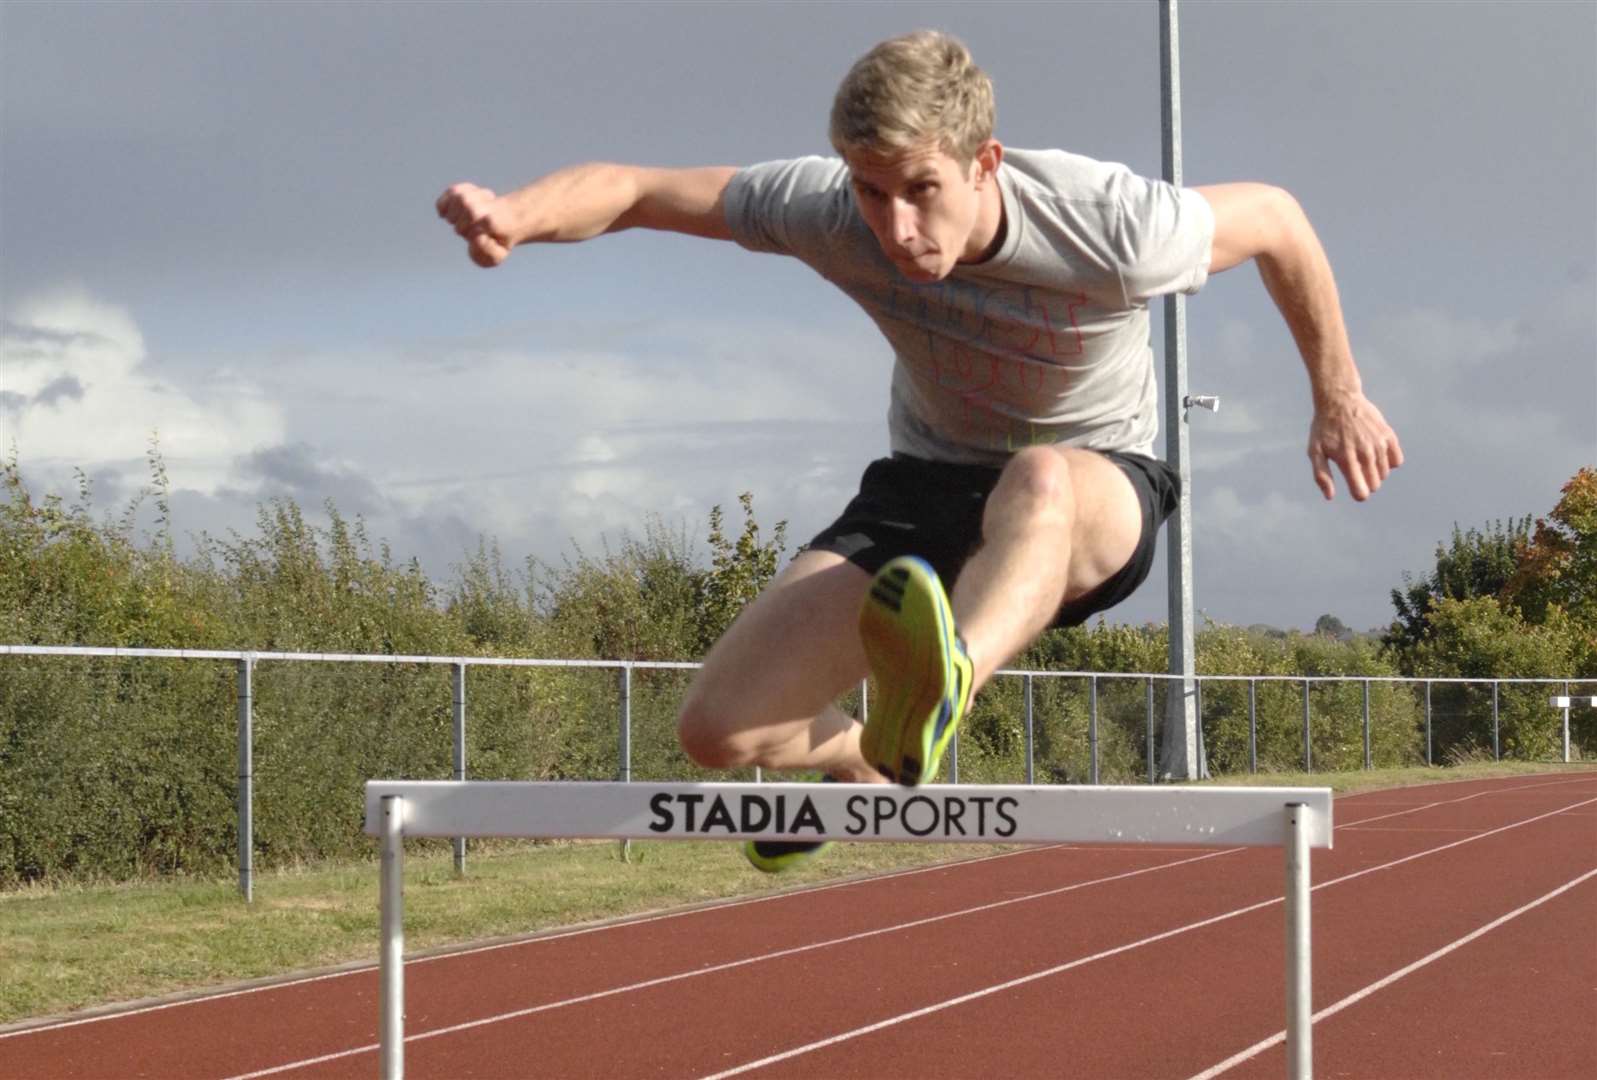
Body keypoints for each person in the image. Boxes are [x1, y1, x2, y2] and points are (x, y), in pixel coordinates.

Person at [436, 30, 1403, 872]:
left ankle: (941, 689)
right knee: (719, 731)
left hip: (1092, 485)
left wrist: (1339, 394)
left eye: (919, 191)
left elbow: (1276, 217)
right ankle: (862, 761)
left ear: (983, 161)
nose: (894, 227)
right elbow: (639, 190)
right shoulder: (825, 211)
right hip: (925, 483)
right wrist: (517, 216)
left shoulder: (1111, 224)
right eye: (870, 192)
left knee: (1038, 475)